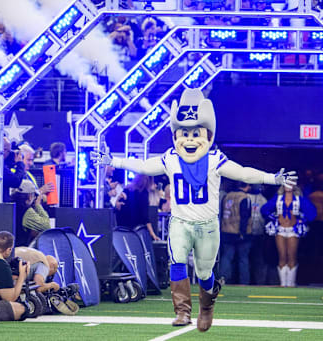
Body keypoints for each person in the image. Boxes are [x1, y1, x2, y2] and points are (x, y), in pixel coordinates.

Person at [92, 88, 297, 331]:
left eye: (195, 133)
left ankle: (207, 305)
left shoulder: (215, 160)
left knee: (204, 273)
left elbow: (242, 172)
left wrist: (272, 179)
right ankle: (182, 312)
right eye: (184, 133)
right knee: (176, 262)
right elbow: (144, 166)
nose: (189, 139)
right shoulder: (170, 158)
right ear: (175, 134)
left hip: (208, 225)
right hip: (180, 222)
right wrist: (113, 161)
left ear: (208, 134)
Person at [261, 183, 316, 287]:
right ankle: (283, 284)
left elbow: (312, 212)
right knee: (282, 256)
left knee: (292, 256)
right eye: (287, 183)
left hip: (293, 230)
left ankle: (291, 284)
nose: (289, 185)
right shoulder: (278, 198)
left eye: (291, 183)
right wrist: (274, 218)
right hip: (280, 230)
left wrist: (302, 219)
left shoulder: (299, 199)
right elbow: (264, 209)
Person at [220, 182, 253, 285]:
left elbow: (221, 213)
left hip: (226, 231)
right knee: (243, 259)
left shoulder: (227, 196)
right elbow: (245, 216)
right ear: (247, 186)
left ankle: (223, 279)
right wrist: (243, 232)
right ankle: (244, 282)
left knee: (226, 257)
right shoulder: (244, 197)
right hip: (240, 232)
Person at [116, 174, 160, 240]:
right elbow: (145, 217)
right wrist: (153, 234)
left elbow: (118, 208)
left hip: (121, 230)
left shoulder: (126, 190)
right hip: (136, 232)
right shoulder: (143, 193)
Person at [11, 180, 50, 247]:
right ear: (29, 196)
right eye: (34, 195)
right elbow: (46, 226)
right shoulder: (27, 212)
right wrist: (38, 205)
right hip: (19, 250)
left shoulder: (10, 206)